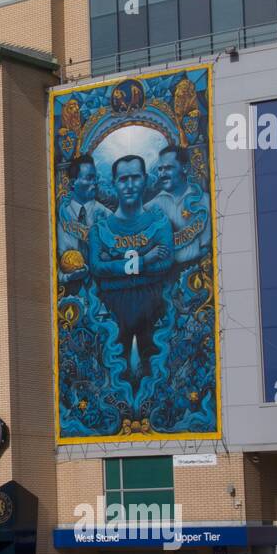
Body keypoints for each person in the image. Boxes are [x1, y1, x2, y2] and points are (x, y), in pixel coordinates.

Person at [87, 155, 174, 388]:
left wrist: (116, 268)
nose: (129, 185)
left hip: (152, 309)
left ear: (145, 180)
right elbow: (97, 267)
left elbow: (165, 265)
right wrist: (144, 260)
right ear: (114, 183)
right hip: (112, 312)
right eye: (123, 179)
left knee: (154, 373)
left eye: (135, 177)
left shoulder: (160, 223)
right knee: (115, 374)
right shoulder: (99, 229)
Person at [151, 144, 211, 271]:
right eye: (160, 169)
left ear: (184, 168)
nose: (162, 174)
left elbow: (207, 247)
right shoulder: (152, 206)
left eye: (168, 168)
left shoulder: (204, 200)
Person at [56, 156, 110, 295]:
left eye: (95, 178)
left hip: (104, 291)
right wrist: (66, 276)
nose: (95, 182)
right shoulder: (60, 216)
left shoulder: (107, 215)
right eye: (89, 178)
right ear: (73, 183)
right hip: (71, 295)